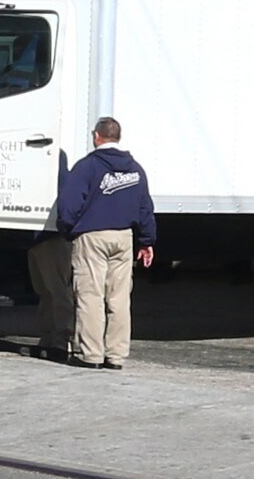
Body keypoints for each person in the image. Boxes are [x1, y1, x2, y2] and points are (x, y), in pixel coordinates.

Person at [57, 116, 156, 370]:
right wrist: (147, 241)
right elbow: (145, 207)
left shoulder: (87, 167)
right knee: (119, 298)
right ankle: (116, 355)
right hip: (124, 238)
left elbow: (69, 204)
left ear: (97, 136)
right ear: (118, 137)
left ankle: (91, 355)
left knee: (90, 296)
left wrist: (67, 229)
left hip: (92, 237)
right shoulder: (135, 169)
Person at [26, 148, 73, 361]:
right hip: (35, 236)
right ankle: (46, 338)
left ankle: (62, 341)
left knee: (57, 291)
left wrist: (62, 228)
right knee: (44, 291)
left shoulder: (55, 155)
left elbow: (65, 193)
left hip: (51, 235)